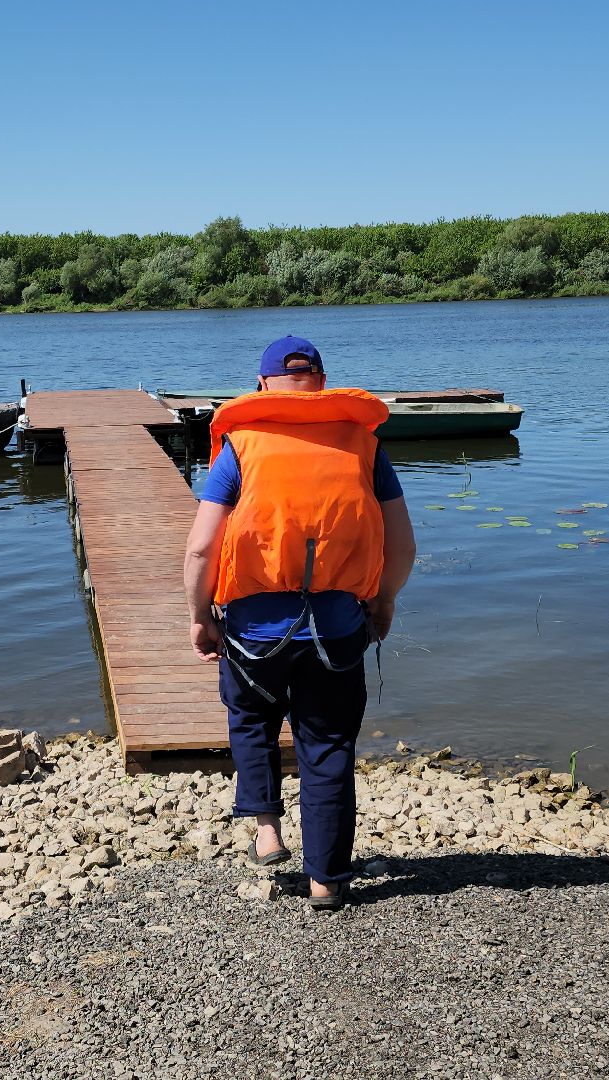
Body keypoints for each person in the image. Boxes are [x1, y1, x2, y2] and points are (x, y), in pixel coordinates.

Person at [182, 335, 417, 909]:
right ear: (322, 381)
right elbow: (403, 544)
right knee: (328, 745)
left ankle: (266, 827)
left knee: (251, 717)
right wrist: (382, 604)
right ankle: (326, 879)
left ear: (263, 384)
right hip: (336, 632)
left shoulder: (241, 445)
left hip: (253, 633)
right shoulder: (362, 444)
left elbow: (201, 549)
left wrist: (200, 617)